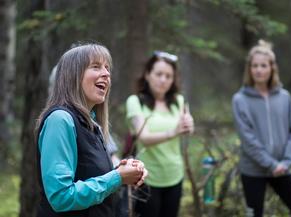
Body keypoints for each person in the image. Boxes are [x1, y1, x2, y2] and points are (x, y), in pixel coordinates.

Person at [36, 43, 147, 217]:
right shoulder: (60, 120)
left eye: (107, 68)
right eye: (96, 67)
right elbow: (61, 197)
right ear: (73, 76)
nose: (106, 73)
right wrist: (117, 177)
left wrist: (126, 171)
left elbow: (89, 174)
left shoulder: (92, 123)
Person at [232, 40, 291, 217]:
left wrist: (286, 162)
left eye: (263, 65)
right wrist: (271, 164)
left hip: (282, 169)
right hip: (253, 171)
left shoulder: (284, 97)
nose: (259, 70)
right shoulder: (240, 100)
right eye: (255, 66)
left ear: (272, 68)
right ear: (249, 69)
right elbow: (248, 140)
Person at [125, 51, 194, 217]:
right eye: (159, 74)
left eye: (168, 76)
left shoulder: (178, 101)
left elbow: (188, 129)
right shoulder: (135, 102)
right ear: (148, 74)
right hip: (146, 178)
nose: (163, 80)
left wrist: (189, 126)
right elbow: (144, 137)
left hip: (174, 175)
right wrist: (174, 131)